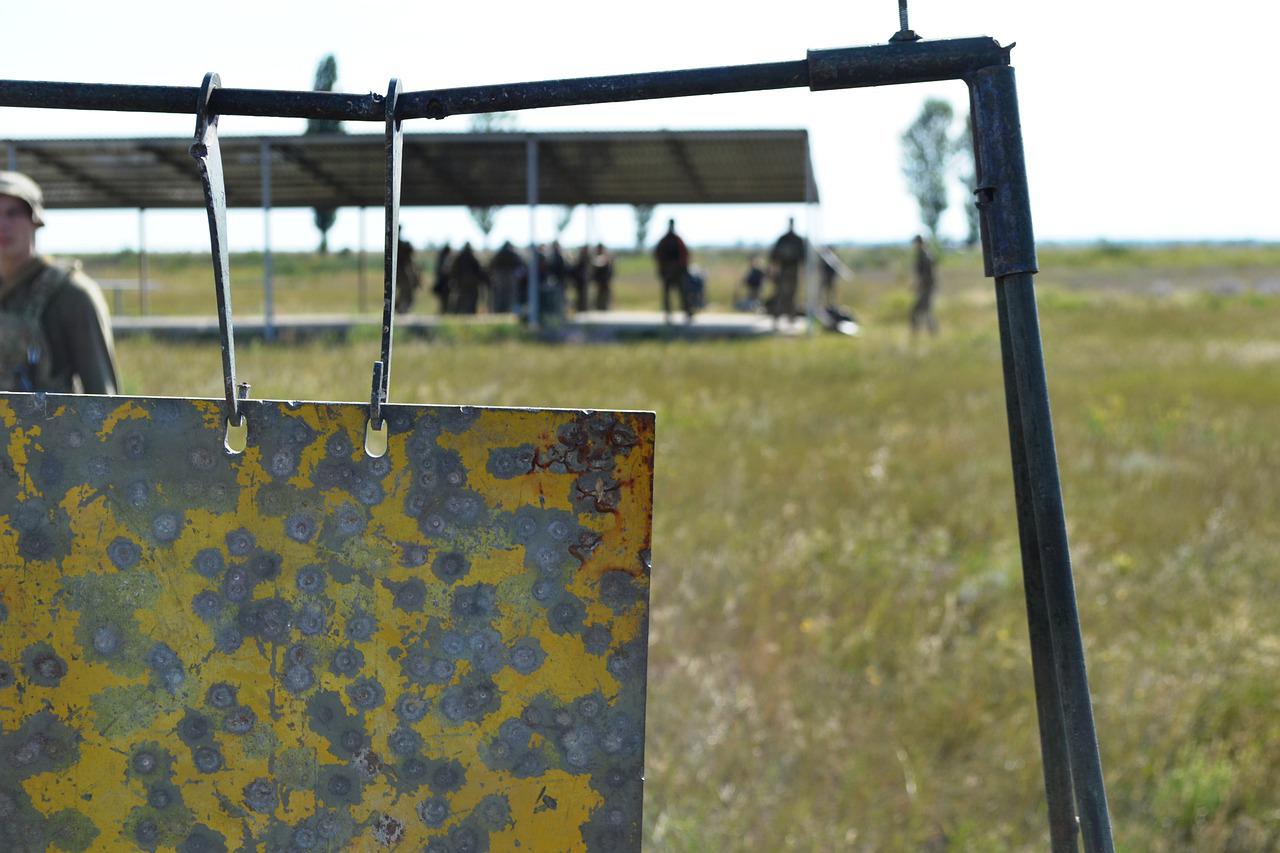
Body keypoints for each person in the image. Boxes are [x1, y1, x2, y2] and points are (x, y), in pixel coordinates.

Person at [0, 171, 118, 394]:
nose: (2, 224)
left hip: (48, 427)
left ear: (35, 220)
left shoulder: (72, 294)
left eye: (12, 213)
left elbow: (103, 396)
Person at [768, 216, 805, 326]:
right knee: (783, 294)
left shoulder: (790, 239)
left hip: (790, 270)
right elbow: (775, 256)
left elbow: (774, 256)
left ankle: (788, 317)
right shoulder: (790, 239)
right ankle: (780, 317)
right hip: (786, 270)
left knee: (788, 294)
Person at [652, 219, 692, 323]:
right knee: (669, 294)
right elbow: (658, 255)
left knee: (682, 293)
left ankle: (686, 312)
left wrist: (681, 268)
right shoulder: (666, 240)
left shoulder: (675, 240)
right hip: (669, 272)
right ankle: (669, 314)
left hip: (677, 272)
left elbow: (684, 255)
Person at [909, 234, 938, 335]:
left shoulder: (924, 256)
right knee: (926, 311)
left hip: (926, 288)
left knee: (916, 311)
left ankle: (915, 334)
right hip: (928, 287)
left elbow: (925, 274)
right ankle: (933, 333)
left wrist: (919, 285)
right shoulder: (926, 254)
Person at [449, 243, 486, 314]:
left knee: (463, 299)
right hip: (472, 284)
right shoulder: (474, 258)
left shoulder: (459, 258)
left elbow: (454, 271)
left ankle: (462, 313)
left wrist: (454, 281)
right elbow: (480, 271)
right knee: (472, 300)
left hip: (462, 284)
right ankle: (470, 313)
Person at [487, 241, 523, 313]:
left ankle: (498, 310)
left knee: (499, 294)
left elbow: (491, 266)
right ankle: (508, 310)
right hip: (508, 276)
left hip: (500, 276)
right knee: (509, 294)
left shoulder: (499, 254)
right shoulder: (512, 254)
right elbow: (521, 265)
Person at [393, 228, 421, 314]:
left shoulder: (403, 245)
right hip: (401, 272)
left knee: (406, 291)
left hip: (404, 272)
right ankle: (400, 308)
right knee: (405, 290)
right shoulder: (397, 244)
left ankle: (401, 308)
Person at [589, 243, 614, 311]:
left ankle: (604, 309)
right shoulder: (602, 256)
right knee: (600, 297)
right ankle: (600, 308)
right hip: (600, 282)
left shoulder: (605, 257)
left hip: (605, 281)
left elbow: (599, 263)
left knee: (604, 296)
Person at [431, 245, 453, 314]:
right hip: (444, 283)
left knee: (443, 300)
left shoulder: (441, 258)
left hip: (442, 282)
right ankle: (443, 312)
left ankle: (442, 312)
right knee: (444, 300)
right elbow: (445, 271)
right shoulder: (445, 259)